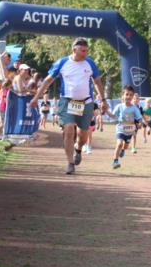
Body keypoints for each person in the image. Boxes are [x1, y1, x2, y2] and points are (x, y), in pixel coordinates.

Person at [31, 38, 107, 175]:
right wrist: (36, 98)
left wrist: (103, 100)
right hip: (67, 101)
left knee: (83, 136)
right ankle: (70, 163)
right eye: (82, 51)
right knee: (69, 129)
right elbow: (47, 81)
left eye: (86, 50)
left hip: (86, 103)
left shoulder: (90, 63)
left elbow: (97, 82)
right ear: (74, 50)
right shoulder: (62, 62)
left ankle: (79, 149)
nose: (85, 53)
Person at [110, 87, 143, 169]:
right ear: (123, 95)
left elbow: (139, 118)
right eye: (126, 94)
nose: (128, 96)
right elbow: (113, 115)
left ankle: (123, 150)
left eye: (131, 95)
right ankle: (115, 162)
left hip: (130, 130)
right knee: (119, 144)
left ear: (133, 97)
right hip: (120, 128)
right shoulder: (119, 106)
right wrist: (106, 111)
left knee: (126, 146)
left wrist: (140, 123)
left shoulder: (135, 108)